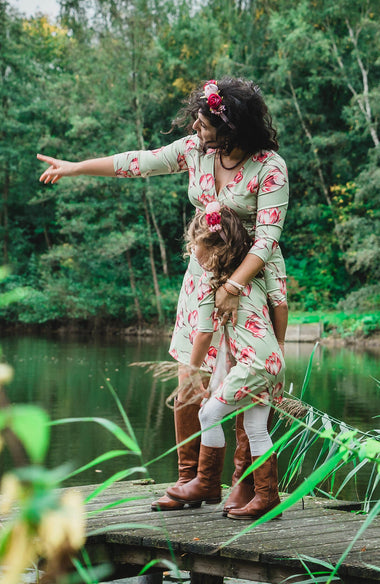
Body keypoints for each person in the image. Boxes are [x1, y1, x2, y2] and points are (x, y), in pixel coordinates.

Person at [37, 76, 289, 514]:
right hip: (204, 272)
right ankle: (194, 480)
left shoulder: (270, 167)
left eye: (206, 121)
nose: (196, 126)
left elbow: (266, 240)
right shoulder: (195, 151)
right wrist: (76, 167)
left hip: (251, 277)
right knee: (190, 369)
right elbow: (139, 162)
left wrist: (234, 287)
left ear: (231, 128)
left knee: (250, 376)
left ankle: (246, 487)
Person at [166, 203, 285, 519]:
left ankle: (205, 482)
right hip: (271, 361)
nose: (193, 252)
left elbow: (204, 335)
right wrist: (280, 348)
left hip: (252, 365)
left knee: (208, 413)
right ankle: (267, 496)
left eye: (197, 246)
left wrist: (192, 375)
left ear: (215, 251)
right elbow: (280, 305)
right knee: (256, 427)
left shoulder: (213, 285)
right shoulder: (255, 273)